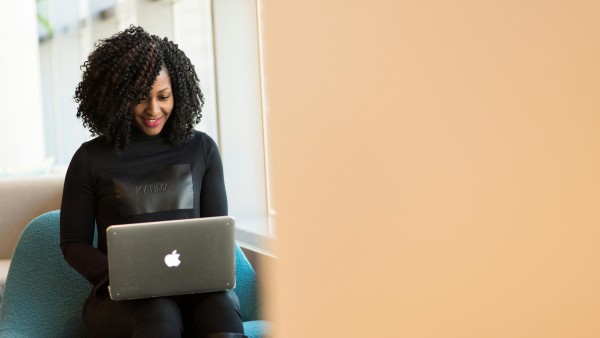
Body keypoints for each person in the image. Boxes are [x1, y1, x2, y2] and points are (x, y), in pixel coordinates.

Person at [59, 25, 247, 338]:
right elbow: (73, 244)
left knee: (221, 309)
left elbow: (216, 233)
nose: (153, 110)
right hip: (122, 300)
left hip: (195, 291)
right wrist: (122, 275)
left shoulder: (202, 149)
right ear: (118, 99)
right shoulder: (90, 159)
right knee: (160, 313)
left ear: (178, 92)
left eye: (163, 96)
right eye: (139, 99)